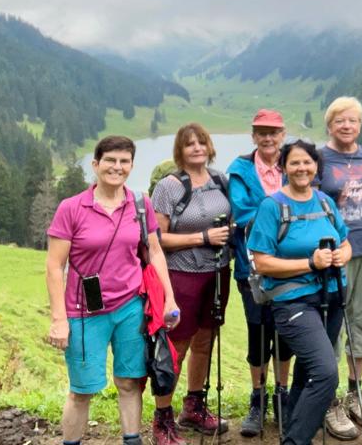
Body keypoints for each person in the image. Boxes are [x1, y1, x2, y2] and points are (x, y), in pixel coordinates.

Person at [45, 136, 178, 445]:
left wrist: (169, 298)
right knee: (82, 390)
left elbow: (155, 252)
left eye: (124, 161)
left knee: (130, 382)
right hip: (84, 313)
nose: (117, 167)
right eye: (110, 160)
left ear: (131, 166)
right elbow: (54, 266)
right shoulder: (72, 208)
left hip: (130, 307)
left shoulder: (140, 204)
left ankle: (132, 440)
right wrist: (58, 319)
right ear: (96, 164)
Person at [249, 139, 353, 445]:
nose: (302, 168)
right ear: (283, 167)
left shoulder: (325, 202)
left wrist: (343, 255)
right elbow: (262, 261)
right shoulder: (272, 206)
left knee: (308, 372)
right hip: (292, 301)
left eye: (307, 162)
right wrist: (310, 263)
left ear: (316, 166)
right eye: (294, 162)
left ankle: (296, 432)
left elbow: (345, 241)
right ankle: (295, 441)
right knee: (325, 373)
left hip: (332, 296)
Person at [149, 123, 231, 443]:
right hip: (182, 274)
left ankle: (193, 407)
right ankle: (162, 419)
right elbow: (156, 239)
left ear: (209, 146)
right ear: (179, 151)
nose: (197, 148)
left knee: (205, 341)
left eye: (201, 142)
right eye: (189, 144)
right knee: (176, 346)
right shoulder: (169, 186)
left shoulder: (220, 180)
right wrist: (203, 237)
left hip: (218, 271)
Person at [317, 97, 362, 439]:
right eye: (340, 120)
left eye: (353, 120)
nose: (347, 126)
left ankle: (355, 392)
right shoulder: (319, 158)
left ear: (360, 124)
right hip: (332, 254)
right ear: (329, 125)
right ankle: (328, 400)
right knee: (332, 327)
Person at [227, 109, 294, 437]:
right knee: (258, 333)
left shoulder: (294, 161)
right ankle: (258, 398)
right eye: (262, 132)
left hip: (291, 267)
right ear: (253, 136)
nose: (268, 138)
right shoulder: (240, 168)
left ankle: (282, 394)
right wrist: (284, 216)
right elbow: (241, 212)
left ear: (283, 135)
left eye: (274, 132)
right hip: (251, 266)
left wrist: (269, 215)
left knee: (285, 332)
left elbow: (306, 199)